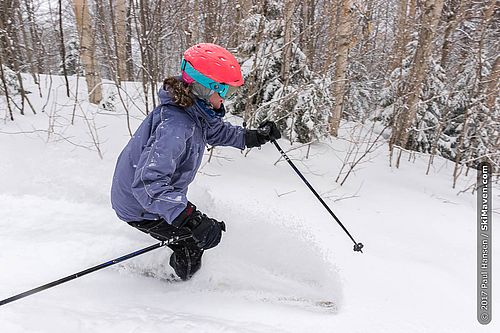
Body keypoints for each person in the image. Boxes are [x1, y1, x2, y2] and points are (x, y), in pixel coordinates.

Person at [110, 43, 281, 281]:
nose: (225, 99)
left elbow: (215, 131)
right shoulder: (176, 126)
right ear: (203, 88)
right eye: (224, 92)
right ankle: (179, 294)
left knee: (194, 232)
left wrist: (252, 137)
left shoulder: (192, 111)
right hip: (140, 206)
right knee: (191, 245)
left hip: (151, 196)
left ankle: (174, 266)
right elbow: (149, 183)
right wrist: (189, 219)